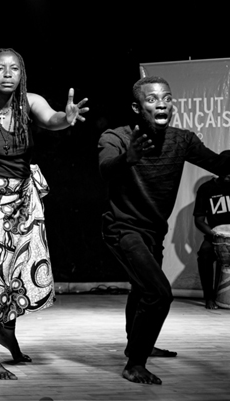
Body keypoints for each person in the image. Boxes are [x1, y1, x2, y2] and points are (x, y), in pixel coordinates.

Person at [0, 48, 88, 380]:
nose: (8, 74)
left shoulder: (30, 101)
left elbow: (52, 117)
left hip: (20, 195)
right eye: (0, 69)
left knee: (19, 269)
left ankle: (7, 330)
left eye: (14, 68)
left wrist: (66, 118)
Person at [98, 75, 230, 385]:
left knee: (142, 288)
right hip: (122, 227)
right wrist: (127, 158)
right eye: (153, 99)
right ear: (136, 106)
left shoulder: (182, 139)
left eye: (167, 98)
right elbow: (105, 169)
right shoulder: (116, 137)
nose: (162, 103)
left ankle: (139, 343)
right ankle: (135, 363)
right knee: (159, 293)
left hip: (153, 231)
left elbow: (218, 165)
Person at [193, 158, 230, 309]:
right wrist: (216, 235)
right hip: (216, 236)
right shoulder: (206, 188)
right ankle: (209, 297)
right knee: (204, 255)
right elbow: (199, 220)